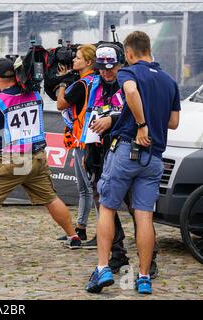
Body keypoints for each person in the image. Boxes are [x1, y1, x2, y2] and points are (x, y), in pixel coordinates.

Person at [85, 31, 180, 295]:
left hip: (127, 148)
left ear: (127, 53)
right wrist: (153, 119)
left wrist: (141, 124)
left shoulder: (130, 73)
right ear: (149, 48)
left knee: (107, 207)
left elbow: (129, 91)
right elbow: (173, 123)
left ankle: (103, 267)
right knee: (144, 216)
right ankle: (144, 276)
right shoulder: (170, 81)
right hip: (154, 158)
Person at [0, 57, 81, 255]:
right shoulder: (35, 94)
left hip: (13, 157)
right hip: (38, 155)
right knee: (50, 198)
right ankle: (73, 236)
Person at [79, 44, 159, 278]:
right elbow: (69, 106)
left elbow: (135, 109)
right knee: (106, 208)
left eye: (110, 68)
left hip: (127, 154)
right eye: (101, 68)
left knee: (139, 211)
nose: (106, 73)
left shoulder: (129, 81)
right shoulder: (92, 84)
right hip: (98, 155)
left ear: (121, 63)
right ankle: (116, 254)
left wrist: (111, 119)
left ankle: (149, 260)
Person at [56, 44, 97, 242]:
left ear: (89, 62)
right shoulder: (92, 81)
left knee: (90, 189)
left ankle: (102, 231)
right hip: (87, 139)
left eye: (78, 58)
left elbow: (60, 104)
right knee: (86, 189)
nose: (73, 60)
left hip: (84, 141)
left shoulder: (81, 85)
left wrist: (63, 84)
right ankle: (80, 228)